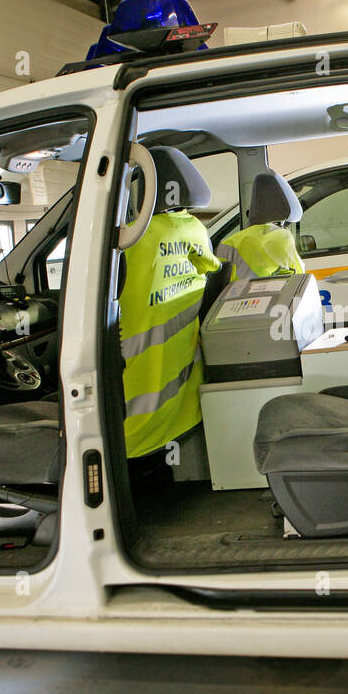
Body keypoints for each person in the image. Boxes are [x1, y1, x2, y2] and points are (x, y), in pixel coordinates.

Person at [119, 146, 220, 459]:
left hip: (136, 422)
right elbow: (212, 267)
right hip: (184, 400)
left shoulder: (134, 238)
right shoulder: (195, 230)